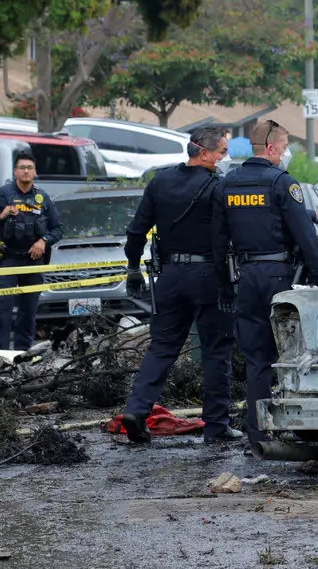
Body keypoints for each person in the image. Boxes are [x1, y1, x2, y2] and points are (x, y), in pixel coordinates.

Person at [119, 126, 240, 445]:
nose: (226, 157)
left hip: (169, 277)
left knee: (161, 348)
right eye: (222, 151)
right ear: (202, 152)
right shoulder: (218, 186)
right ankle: (216, 425)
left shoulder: (160, 182)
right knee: (216, 351)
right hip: (208, 278)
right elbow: (231, 233)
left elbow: (136, 232)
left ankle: (136, 411)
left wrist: (133, 268)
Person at [213, 119, 318, 444]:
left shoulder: (229, 184)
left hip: (246, 278)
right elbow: (306, 237)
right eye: (287, 145)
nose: (287, 151)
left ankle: (258, 435)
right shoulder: (282, 184)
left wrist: (224, 285)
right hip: (281, 279)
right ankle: (304, 431)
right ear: (273, 148)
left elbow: (218, 241)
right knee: (297, 355)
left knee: (256, 359)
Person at [0, 150, 62, 350]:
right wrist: (1, 215)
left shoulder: (43, 197)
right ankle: (0, 355)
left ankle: (23, 354)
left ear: (35, 172)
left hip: (33, 261)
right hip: (8, 260)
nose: (26, 171)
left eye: (29, 168)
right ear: (15, 172)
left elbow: (58, 229)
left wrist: (44, 241)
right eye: (22, 167)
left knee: (28, 311)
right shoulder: (2, 194)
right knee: (2, 308)